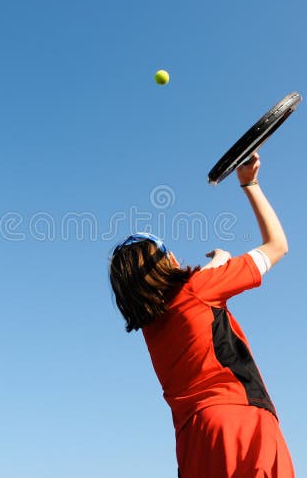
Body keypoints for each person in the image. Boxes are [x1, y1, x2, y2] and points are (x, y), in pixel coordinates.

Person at [108, 153, 294, 478]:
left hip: (192, 440)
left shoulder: (152, 328)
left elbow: (186, 297)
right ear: (165, 262)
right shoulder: (200, 287)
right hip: (239, 420)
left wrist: (216, 264)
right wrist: (249, 182)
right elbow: (277, 245)